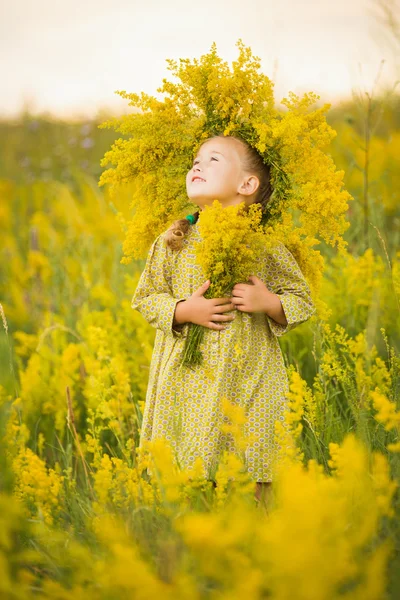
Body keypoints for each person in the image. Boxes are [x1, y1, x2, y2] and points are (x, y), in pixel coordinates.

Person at [131, 133, 316, 508]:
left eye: (212, 160)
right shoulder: (173, 240)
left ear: (247, 185)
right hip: (187, 378)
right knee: (191, 466)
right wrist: (183, 310)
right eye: (195, 161)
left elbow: (302, 301)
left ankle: (261, 539)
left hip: (249, 375)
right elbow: (146, 298)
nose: (197, 166)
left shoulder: (263, 244)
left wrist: (268, 302)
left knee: (254, 465)